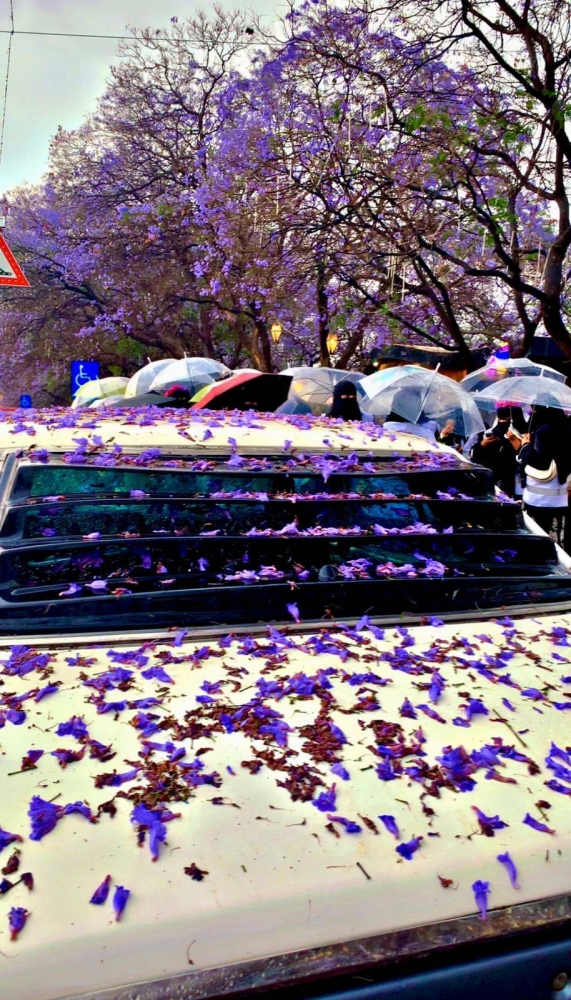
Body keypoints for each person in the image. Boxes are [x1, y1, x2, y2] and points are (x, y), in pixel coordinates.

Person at [518, 406, 570, 546]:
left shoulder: (544, 430)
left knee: (538, 534)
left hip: (539, 498)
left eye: (535, 410)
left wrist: (525, 446)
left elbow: (540, 461)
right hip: (559, 497)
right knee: (555, 535)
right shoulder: (566, 427)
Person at [469, 405, 521, 496]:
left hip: (511, 480)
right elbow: (474, 457)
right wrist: (482, 444)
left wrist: (513, 440)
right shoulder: (490, 433)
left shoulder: (518, 435)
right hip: (491, 478)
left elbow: (522, 458)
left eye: (506, 419)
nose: (502, 422)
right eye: (500, 419)